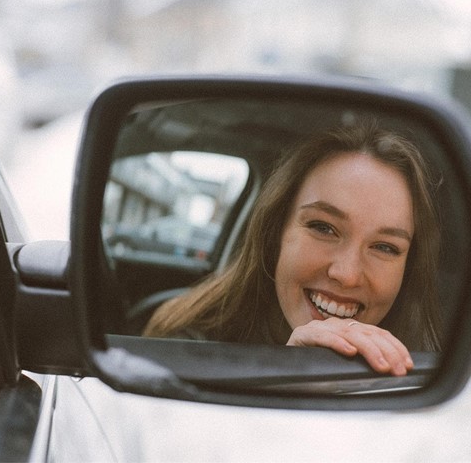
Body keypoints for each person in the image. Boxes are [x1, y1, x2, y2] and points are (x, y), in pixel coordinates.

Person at [143, 120, 442, 376]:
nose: (347, 275)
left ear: (409, 268)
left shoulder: (432, 366)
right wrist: (291, 367)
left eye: (385, 247)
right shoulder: (186, 342)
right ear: (275, 232)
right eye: (323, 228)